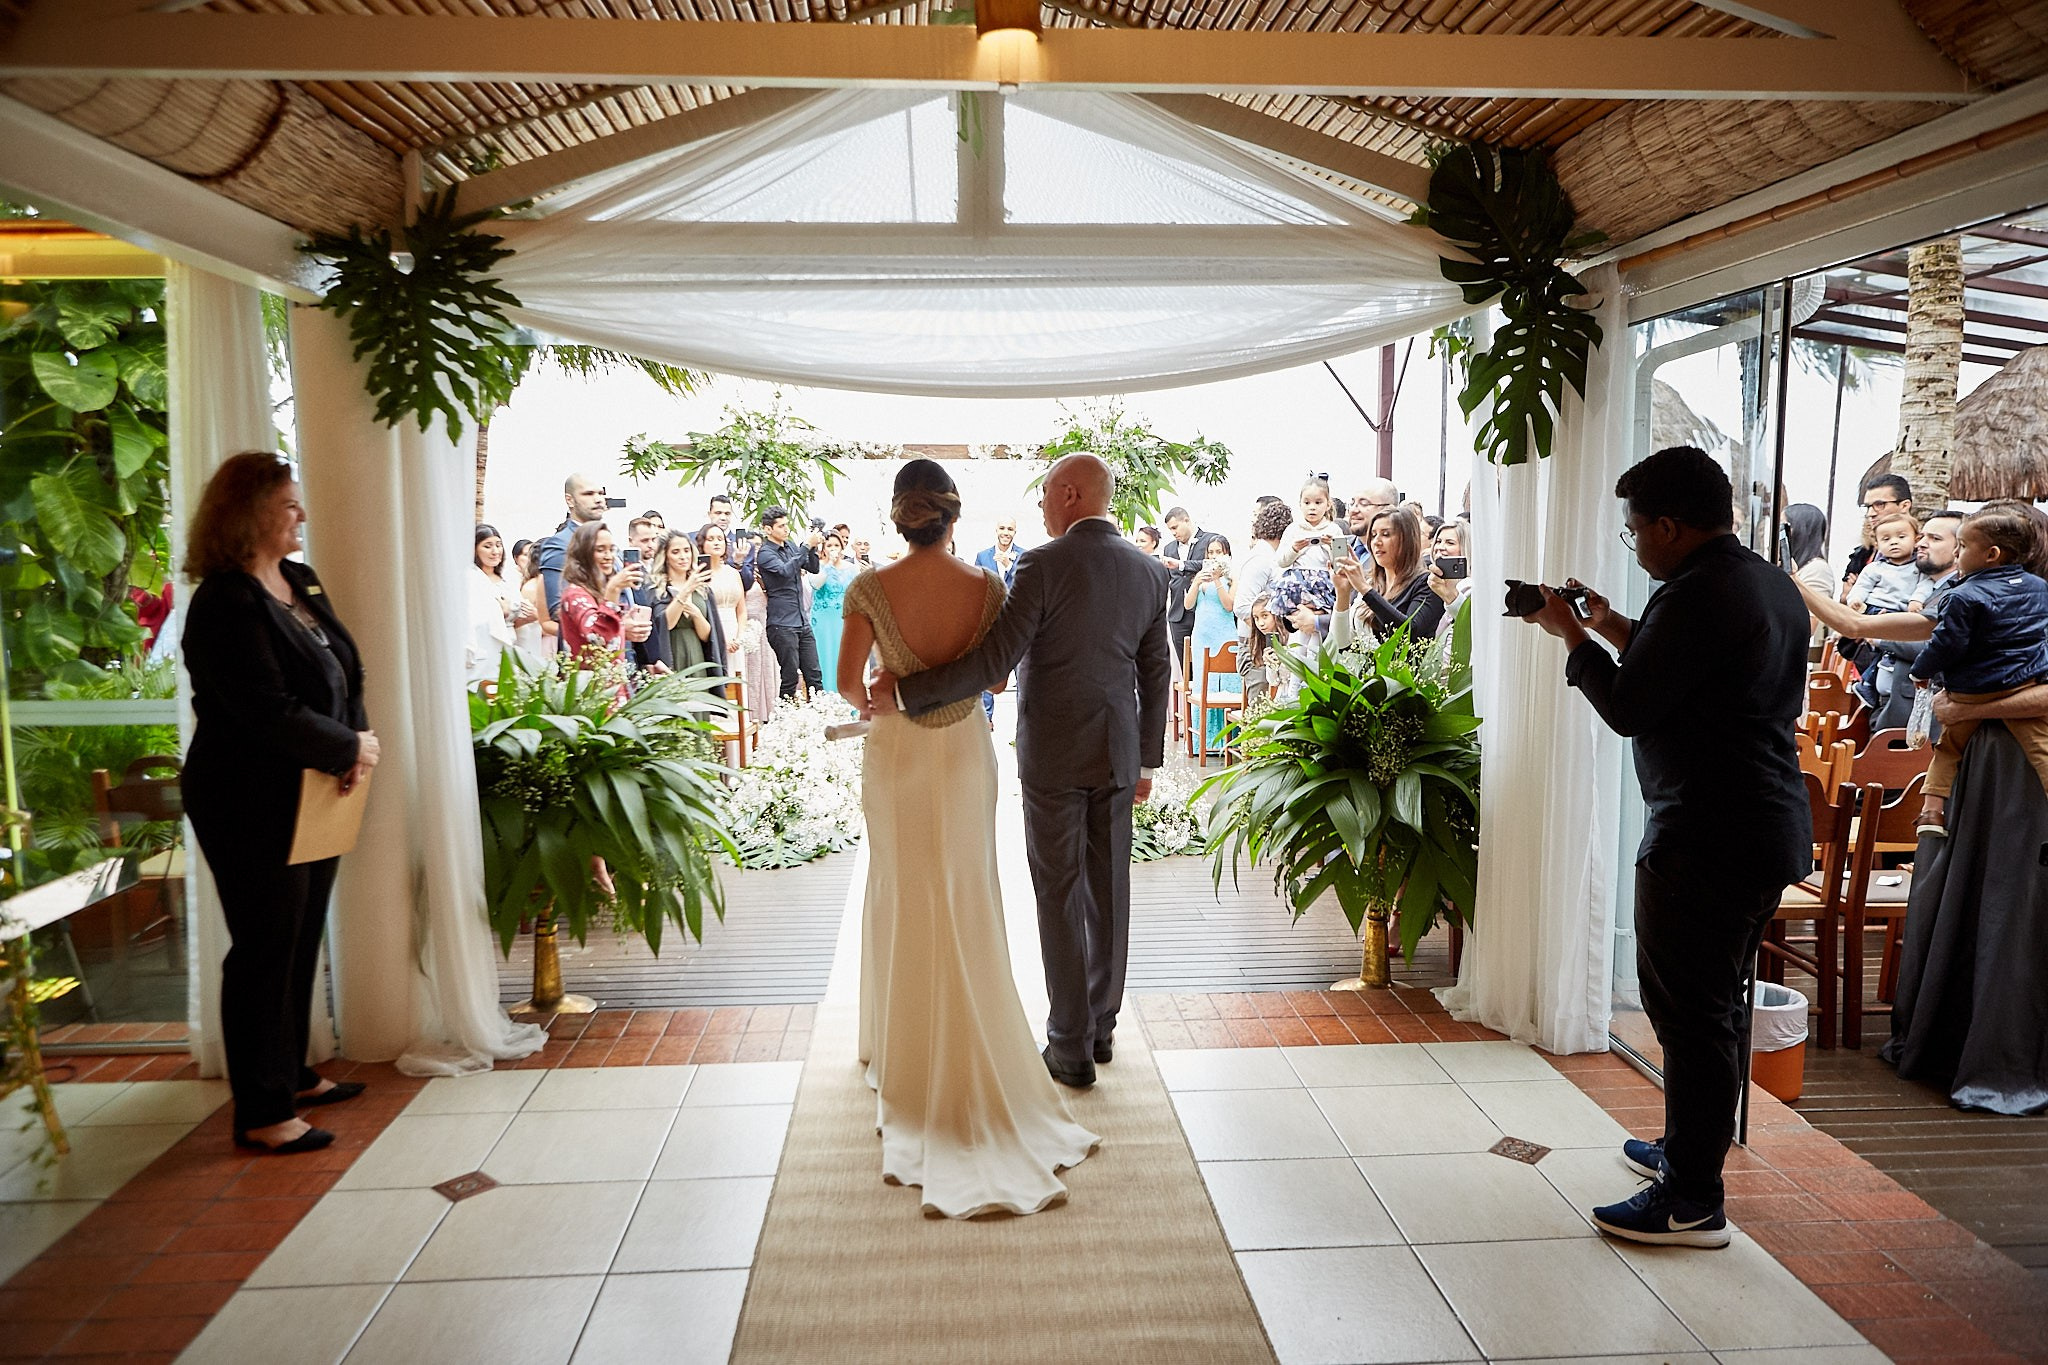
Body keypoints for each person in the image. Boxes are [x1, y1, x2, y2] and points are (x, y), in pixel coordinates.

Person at [1520, 445, 1808, 1250]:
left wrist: (1570, 636)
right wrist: (1610, 620)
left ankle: (1692, 1199)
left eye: (1635, 529)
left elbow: (1630, 704)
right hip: (1760, 823)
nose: (1634, 542)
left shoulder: (1695, 594)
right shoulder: (1761, 580)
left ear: (1671, 527)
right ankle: (1687, 1152)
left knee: (1693, 1017)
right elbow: (1692, 668)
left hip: (1708, 834)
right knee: (1709, 1008)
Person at [832, 461, 1098, 1217]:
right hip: (960, 755)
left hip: (896, 755)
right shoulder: (987, 589)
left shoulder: (867, 590)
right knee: (966, 889)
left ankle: (897, 1051)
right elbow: (999, 680)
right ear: (953, 516)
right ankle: (973, 1035)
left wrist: (888, 683)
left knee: (900, 888)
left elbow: (850, 684)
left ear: (898, 517)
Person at [873, 453, 1171, 1091]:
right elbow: (1155, 672)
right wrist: (1147, 758)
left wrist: (906, 693)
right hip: (1117, 751)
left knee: (1058, 891)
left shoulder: (1042, 563)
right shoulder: (1149, 571)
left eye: (1042, 497)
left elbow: (996, 658)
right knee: (1109, 888)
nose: (1038, 510)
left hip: (1054, 753)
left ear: (1069, 494)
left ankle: (1068, 1045)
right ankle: (1099, 1026)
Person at [180, 451, 379, 1154]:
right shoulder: (225, 601)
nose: (301, 514)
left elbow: (342, 664)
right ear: (249, 511)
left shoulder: (296, 577)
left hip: (312, 785)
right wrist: (346, 747)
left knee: (299, 935)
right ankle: (262, 1111)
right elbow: (264, 708)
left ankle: (291, 1072)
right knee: (264, 944)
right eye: (289, 503)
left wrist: (351, 738)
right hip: (245, 794)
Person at [1907, 505, 2048, 836]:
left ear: (1991, 554)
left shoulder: (1961, 596)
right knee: (2041, 748)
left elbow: (1946, 645)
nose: (1956, 555)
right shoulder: (2039, 588)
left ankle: (1931, 812)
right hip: (2023, 685)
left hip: (1972, 691)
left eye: (1963, 547)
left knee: (1947, 748)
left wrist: (1920, 671)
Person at [1331, 506, 1442, 644]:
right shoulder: (1372, 583)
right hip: (1361, 664)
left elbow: (1409, 633)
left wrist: (1365, 589)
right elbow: (1340, 643)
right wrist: (1342, 593)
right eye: (1373, 535)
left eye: (1386, 534)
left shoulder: (1427, 584)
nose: (1376, 542)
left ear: (1406, 539)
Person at [557, 520, 651, 668]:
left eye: (611, 549)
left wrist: (623, 624)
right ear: (583, 554)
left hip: (613, 680)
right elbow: (599, 639)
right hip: (591, 686)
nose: (609, 556)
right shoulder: (574, 595)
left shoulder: (598, 591)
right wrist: (613, 589)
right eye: (600, 550)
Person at [755, 507, 823, 698]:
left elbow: (813, 568)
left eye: (787, 525)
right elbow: (785, 571)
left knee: (814, 674)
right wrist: (805, 547)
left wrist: (812, 547)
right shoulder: (765, 553)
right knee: (790, 676)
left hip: (801, 620)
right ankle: (786, 720)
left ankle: (820, 716)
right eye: (781, 526)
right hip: (782, 623)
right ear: (768, 529)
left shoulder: (791, 546)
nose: (786, 529)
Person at [1185, 535, 1242, 750]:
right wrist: (1197, 582)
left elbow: (1229, 606)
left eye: (1219, 551)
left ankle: (1229, 740)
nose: (1214, 556)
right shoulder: (1200, 579)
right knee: (1203, 682)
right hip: (1202, 636)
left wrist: (1218, 580)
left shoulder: (1233, 579)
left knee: (1227, 681)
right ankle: (1205, 741)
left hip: (1225, 634)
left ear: (1227, 553)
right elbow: (1188, 605)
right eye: (1211, 552)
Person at [644, 528, 723, 674]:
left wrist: (697, 615)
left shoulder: (702, 589)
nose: (683, 556)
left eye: (687, 550)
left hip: (698, 656)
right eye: (675, 552)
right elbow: (665, 624)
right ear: (665, 556)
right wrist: (686, 590)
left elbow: (709, 637)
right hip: (672, 655)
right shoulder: (656, 589)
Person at [1234, 501, 1290, 708]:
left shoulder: (1271, 556)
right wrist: (1265, 627)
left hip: (1273, 643)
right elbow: (1241, 606)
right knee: (1259, 711)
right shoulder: (1261, 558)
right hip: (1257, 646)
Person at [536, 472, 609, 619]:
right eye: (588, 494)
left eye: (601, 493)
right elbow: (559, 609)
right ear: (570, 500)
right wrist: (616, 624)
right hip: (592, 639)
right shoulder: (560, 545)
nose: (598, 500)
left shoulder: (608, 540)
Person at [468, 523, 534, 684]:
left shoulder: (508, 579)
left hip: (512, 645)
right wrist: (499, 611)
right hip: (485, 648)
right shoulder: (472, 578)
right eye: (487, 546)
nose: (495, 551)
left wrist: (529, 616)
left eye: (498, 545)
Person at [1160, 507, 1223, 679]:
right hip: (1178, 615)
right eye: (1170, 530)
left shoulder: (1211, 540)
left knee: (1208, 665)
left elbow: (1213, 564)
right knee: (1186, 669)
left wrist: (1181, 564)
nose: (1173, 533)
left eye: (1175, 527)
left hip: (1204, 611)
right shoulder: (1169, 548)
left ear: (1186, 520)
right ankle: (1189, 705)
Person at [973, 518, 1022, 723]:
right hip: (990, 624)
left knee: (1022, 675)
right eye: (1002, 528)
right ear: (996, 530)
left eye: (1010, 529)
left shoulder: (1025, 555)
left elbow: (1025, 585)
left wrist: (1009, 565)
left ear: (1015, 532)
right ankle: (986, 718)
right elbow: (977, 587)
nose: (1006, 532)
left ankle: (1024, 719)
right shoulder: (983, 556)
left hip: (1017, 624)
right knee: (988, 671)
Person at [733, 529, 779, 723]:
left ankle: (769, 712)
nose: (755, 549)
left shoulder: (766, 572)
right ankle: (749, 713)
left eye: (759, 545)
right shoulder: (740, 573)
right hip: (744, 626)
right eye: (752, 545)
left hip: (765, 624)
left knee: (767, 668)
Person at [1845, 473, 1913, 595]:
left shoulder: (1922, 551)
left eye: (1879, 505)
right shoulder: (1862, 554)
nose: (1871, 513)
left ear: (1904, 506)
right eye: (1867, 507)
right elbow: (1844, 597)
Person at [810, 530, 859, 692]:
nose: (833, 548)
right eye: (829, 545)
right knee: (825, 659)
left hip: (844, 619)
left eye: (836, 545)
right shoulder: (816, 566)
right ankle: (826, 698)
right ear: (823, 547)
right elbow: (816, 584)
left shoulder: (852, 569)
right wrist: (829, 564)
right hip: (823, 621)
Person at [1781, 503, 1834, 650]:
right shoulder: (1795, 565)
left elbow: (1808, 626)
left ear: (1800, 530)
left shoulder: (1817, 569)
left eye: (1784, 528)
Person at [1424, 518, 1473, 637]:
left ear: (1465, 547)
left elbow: (1471, 623)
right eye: (1438, 541)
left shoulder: (1470, 587)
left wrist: (1450, 595)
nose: (1440, 547)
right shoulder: (1429, 582)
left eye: (1450, 543)